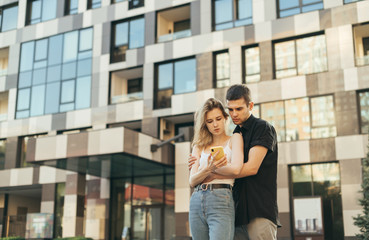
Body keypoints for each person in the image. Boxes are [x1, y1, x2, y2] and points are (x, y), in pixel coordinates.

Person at [189, 84, 280, 240]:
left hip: (258, 209)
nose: (234, 114)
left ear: (250, 106)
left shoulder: (262, 127)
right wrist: (206, 169)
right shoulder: (237, 132)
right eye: (230, 109)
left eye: (239, 109)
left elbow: (251, 168)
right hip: (237, 210)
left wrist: (210, 173)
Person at [189, 98, 244, 240]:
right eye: (209, 121)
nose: (215, 124)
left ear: (225, 118)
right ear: (204, 124)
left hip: (221, 197)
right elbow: (192, 180)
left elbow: (236, 169)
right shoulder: (198, 146)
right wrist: (209, 169)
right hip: (196, 199)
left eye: (218, 119)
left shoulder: (235, 138)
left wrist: (209, 172)